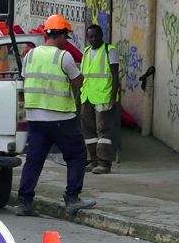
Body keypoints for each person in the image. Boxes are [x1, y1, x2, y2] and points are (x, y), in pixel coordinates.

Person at [15, 14, 97, 216]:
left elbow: (25, 80)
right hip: (61, 117)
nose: (66, 42)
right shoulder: (64, 57)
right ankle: (72, 198)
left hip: (35, 118)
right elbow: (78, 82)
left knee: (34, 160)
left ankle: (24, 202)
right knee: (77, 155)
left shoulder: (30, 56)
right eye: (65, 38)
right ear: (60, 35)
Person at [79, 24, 120, 174]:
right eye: (90, 36)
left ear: (102, 36)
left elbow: (115, 76)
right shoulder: (86, 51)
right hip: (87, 96)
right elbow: (84, 75)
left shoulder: (110, 50)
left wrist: (113, 97)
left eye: (96, 36)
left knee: (103, 131)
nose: (93, 39)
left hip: (103, 96)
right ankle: (93, 161)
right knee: (88, 131)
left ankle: (104, 163)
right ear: (87, 38)